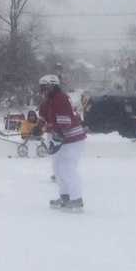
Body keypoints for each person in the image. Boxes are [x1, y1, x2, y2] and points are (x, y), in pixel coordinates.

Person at [38, 74, 86, 211]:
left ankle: (76, 199)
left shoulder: (61, 99)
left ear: (52, 86)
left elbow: (64, 122)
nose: (42, 91)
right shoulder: (48, 101)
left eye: (45, 87)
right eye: (41, 88)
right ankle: (65, 197)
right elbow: (43, 116)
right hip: (62, 139)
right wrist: (37, 128)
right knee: (58, 169)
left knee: (67, 169)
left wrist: (51, 131)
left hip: (72, 139)